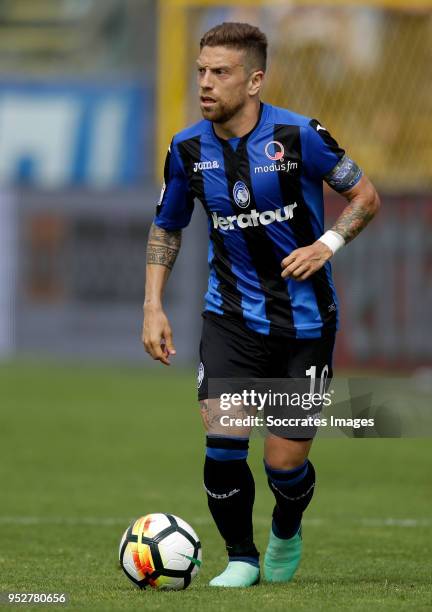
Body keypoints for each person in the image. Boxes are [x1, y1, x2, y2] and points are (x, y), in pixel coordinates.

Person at [142, 22, 380, 588]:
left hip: (305, 323)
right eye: (201, 70)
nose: (205, 83)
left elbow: (365, 197)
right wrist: (152, 305)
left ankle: (286, 528)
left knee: (284, 465)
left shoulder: (300, 136)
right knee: (223, 441)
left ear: (254, 81)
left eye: (220, 73)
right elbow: (166, 227)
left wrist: (326, 245)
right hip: (229, 318)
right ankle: (241, 557)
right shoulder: (186, 149)